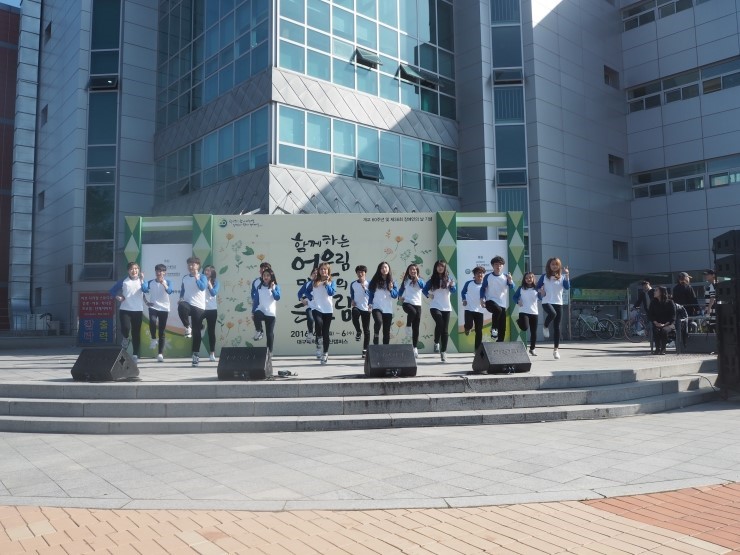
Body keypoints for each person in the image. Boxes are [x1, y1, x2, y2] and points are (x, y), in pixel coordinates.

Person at [109, 262, 149, 363]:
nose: (134, 271)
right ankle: (126, 338)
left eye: (136, 269)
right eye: (131, 269)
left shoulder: (142, 281)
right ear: (128, 271)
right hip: (125, 309)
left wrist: (142, 280)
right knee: (126, 329)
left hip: (137, 310)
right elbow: (112, 291)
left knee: (136, 333)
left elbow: (145, 290)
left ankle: (135, 354)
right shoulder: (124, 281)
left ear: (138, 270)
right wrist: (117, 296)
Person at [422, 260, 456, 362]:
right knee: (440, 323)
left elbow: (453, 291)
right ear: (435, 268)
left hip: (446, 307)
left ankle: (443, 352)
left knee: (445, 330)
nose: (440, 268)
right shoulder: (432, 279)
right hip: (435, 306)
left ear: (445, 268)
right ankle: (436, 342)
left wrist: (452, 285)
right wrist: (429, 295)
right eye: (438, 266)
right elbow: (424, 290)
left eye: (442, 266)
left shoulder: (449, 279)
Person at [537, 257, 570, 360]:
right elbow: (537, 287)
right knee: (553, 313)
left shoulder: (562, 277)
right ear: (549, 266)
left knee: (557, 327)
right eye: (552, 264)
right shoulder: (544, 277)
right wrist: (540, 291)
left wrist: (567, 275)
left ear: (559, 266)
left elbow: (567, 287)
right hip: (546, 301)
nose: (554, 266)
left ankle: (556, 350)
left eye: (556, 264)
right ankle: (545, 326)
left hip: (558, 303)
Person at [178, 256, 208, 367]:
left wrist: (196, 277)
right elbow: (183, 290)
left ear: (198, 266)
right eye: (189, 264)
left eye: (193, 264)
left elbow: (202, 287)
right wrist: (181, 298)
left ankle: (195, 355)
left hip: (199, 307)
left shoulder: (203, 277)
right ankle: (187, 327)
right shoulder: (185, 278)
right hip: (188, 304)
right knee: (181, 306)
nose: (191, 266)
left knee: (196, 332)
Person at [304, 262, 336, 364]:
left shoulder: (331, 282)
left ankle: (325, 353)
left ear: (328, 271)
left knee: (326, 332)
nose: (323, 271)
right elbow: (306, 291)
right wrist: (311, 298)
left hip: (328, 310)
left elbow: (331, 293)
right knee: (318, 322)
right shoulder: (314, 282)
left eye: (325, 269)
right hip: (317, 308)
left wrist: (326, 284)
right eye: (321, 269)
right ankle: (318, 337)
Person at [480, 256, 514, 341]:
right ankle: (494, 329)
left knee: (502, 325)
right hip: (490, 302)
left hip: (502, 304)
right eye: (496, 264)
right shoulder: (488, 276)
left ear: (503, 266)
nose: (498, 266)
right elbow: (483, 288)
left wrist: (510, 280)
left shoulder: (506, 276)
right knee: (497, 310)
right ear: (492, 265)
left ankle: (500, 342)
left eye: (500, 265)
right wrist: (482, 299)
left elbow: (512, 287)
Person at [146, 263, 174, 362]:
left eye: (161, 271)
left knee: (162, 331)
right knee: (152, 321)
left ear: (164, 273)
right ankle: (153, 339)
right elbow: (142, 290)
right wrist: (146, 302)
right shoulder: (150, 282)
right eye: (157, 271)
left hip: (164, 308)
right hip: (153, 307)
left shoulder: (168, 282)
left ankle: (160, 354)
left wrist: (164, 284)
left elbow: (170, 291)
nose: (159, 273)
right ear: (155, 272)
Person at [368, 261, 399, 346]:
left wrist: (391, 289)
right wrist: (370, 304)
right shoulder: (375, 281)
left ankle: (386, 349)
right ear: (379, 270)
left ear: (389, 269)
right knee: (378, 321)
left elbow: (395, 296)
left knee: (386, 331)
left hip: (388, 309)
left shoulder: (393, 281)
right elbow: (371, 294)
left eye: (385, 267)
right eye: (382, 268)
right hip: (376, 307)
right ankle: (376, 336)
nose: (384, 269)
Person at [398, 263, 425, 358]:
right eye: (410, 269)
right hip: (407, 303)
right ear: (408, 271)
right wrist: (399, 297)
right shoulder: (406, 280)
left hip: (418, 305)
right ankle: (408, 325)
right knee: (412, 312)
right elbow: (400, 290)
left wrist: (417, 278)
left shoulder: (420, 280)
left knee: (416, 327)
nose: (412, 271)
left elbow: (423, 287)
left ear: (417, 271)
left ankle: (415, 348)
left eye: (414, 269)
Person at [253, 267, 281, 354]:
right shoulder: (259, 287)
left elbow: (277, 297)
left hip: (270, 313)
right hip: (261, 310)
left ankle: (269, 352)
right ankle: (259, 331)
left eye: (268, 275)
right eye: (264, 275)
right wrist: (253, 311)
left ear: (271, 277)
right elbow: (256, 301)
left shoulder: (276, 286)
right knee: (256, 314)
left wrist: (272, 289)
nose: (266, 277)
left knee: (269, 334)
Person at [514, 272, 541, 356]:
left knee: (534, 332)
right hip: (523, 311)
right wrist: (518, 301)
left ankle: (532, 349)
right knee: (524, 328)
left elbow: (540, 298)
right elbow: (514, 297)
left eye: (530, 277)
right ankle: (519, 321)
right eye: (526, 278)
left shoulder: (537, 288)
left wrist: (541, 292)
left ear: (533, 278)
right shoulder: (521, 288)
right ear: (524, 280)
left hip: (534, 312)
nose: (528, 279)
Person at [460, 266, 486, 350]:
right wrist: (464, 299)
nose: (480, 274)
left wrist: (484, 301)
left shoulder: (485, 285)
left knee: (479, 330)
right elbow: (463, 292)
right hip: (469, 309)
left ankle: (477, 349)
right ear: (474, 275)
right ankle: (467, 328)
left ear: (484, 275)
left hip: (480, 310)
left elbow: (488, 295)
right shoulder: (469, 283)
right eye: (478, 273)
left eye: (481, 273)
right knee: (469, 325)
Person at [350, 265, 371, 358]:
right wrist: (352, 300)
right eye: (358, 272)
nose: (360, 274)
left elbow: (372, 294)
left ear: (365, 273)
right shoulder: (353, 284)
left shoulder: (369, 283)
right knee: (354, 314)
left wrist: (365, 288)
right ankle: (358, 331)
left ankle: (365, 350)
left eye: (362, 272)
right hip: (357, 306)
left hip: (366, 308)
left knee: (366, 330)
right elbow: (352, 294)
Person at [648, 286, 676, 355]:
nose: (654, 292)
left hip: (669, 324)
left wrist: (665, 324)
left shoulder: (670, 302)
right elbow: (650, 315)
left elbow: (673, 316)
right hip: (657, 323)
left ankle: (663, 349)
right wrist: (656, 323)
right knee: (656, 330)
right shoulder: (653, 302)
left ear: (661, 292)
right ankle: (657, 348)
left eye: (656, 291)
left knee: (664, 330)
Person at [297, 267, 318, 348]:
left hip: (319, 307)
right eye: (314, 273)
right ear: (311, 275)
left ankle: (318, 345)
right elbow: (300, 293)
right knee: (310, 318)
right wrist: (302, 300)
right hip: (309, 305)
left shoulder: (322, 283)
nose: (315, 274)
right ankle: (310, 333)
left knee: (319, 324)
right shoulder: (308, 284)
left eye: (317, 273)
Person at [202, 265, 220, 362]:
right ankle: (201, 327)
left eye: (208, 270)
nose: (206, 272)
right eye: (205, 270)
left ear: (212, 272)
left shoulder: (216, 282)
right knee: (196, 325)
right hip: (201, 308)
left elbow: (213, 293)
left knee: (211, 332)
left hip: (212, 309)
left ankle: (212, 353)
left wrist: (209, 284)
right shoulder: (201, 280)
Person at [251, 261, 272, 341]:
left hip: (269, 307)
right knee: (255, 317)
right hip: (259, 306)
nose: (263, 270)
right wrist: (255, 301)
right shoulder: (256, 281)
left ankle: (269, 348)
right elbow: (253, 293)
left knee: (269, 331)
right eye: (261, 269)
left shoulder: (272, 282)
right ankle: (260, 331)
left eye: (265, 269)